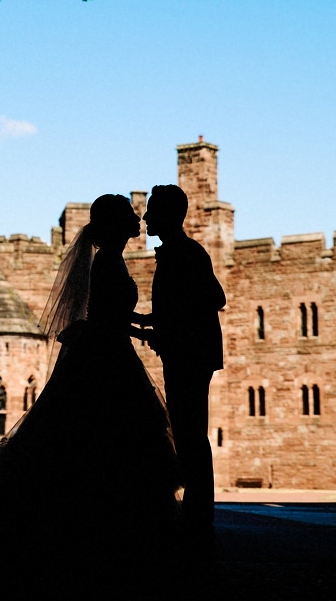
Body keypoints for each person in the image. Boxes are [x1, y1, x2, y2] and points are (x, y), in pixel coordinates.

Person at [0, 194, 181, 562]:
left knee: (92, 434)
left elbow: (111, 312)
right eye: (129, 214)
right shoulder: (108, 261)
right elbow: (106, 317)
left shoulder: (111, 259)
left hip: (107, 348)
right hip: (105, 353)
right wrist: (145, 331)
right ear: (115, 224)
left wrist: (144, 323)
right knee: (105, 434)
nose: (136, 218)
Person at [134, 183, 225, 547]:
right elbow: (178, 308)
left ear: (170, 215)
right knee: (188, 434)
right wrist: (145, 321)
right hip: (185, 353)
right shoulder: (178, 252)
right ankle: (197, 512)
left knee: (191, 435)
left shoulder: (187, 253)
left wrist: (166, 328)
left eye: (153, 210)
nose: (146, 216)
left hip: (190, 356)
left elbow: (214, 298)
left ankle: (199, 515)